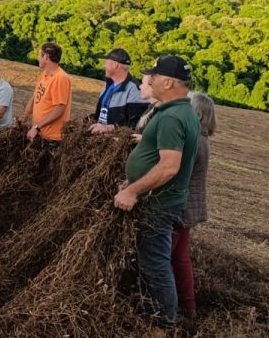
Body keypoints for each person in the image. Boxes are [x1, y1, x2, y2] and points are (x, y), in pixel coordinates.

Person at [113, 55, 200, 331]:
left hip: (158, 204)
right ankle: (155, 317)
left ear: (168, 81)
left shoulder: (173, 116)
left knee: (156, 265)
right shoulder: (178, 111)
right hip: (160, 200)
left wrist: (133, 191)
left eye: (153, 75)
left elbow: (169, 167)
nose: (147, 79)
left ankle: (163, 326)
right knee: (152, 262)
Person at [167, 91, 215, 322]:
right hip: (190, 206)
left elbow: (172, 170)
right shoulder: (203, 140)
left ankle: (167, 308)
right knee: (180, 258)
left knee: (161, 258)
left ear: (195, 113)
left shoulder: (193, 142)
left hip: (181, 206)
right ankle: (188, 305)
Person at [21, 42, 72, 145]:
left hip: (51, 138)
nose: (38, 58)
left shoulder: (60, 78)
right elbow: (36, 97)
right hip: (39, 133)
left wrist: (37, 127)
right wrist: (24, 117)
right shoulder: (44, 74)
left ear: (46, 57)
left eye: (40, 55)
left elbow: (60, 108)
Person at [89, 48, 150, 133]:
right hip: (99, 140)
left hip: (116, 143)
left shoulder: (135, 90)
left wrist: (109, 128)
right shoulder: (108, 85)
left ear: (115, 65)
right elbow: (101, 114)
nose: (104, 66)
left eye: (106, 62)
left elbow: (135, 124)